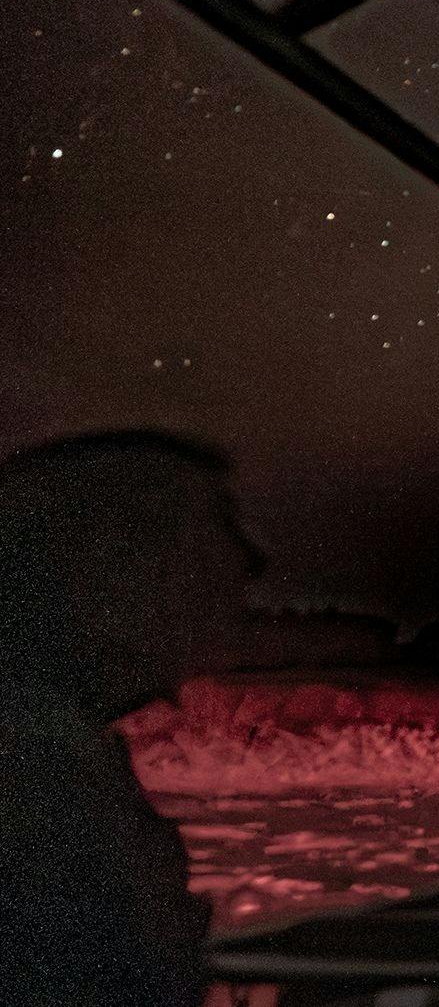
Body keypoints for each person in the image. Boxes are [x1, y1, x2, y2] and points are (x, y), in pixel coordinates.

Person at [0, 431, 263, 1007]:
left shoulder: (51, 745)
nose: (249, 563)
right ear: (106, 569)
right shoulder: (39, 775)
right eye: (212, 530)